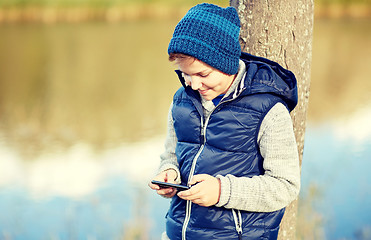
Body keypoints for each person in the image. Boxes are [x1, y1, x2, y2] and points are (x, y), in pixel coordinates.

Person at [148, 3, 300, 240]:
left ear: (226, 63)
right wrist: (168, 172)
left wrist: (221, 191)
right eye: (186, 74)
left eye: (202, 74)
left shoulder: (268, 110)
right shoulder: (182, 101)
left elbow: (285, 186)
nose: (193, 85)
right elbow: (172, 154)